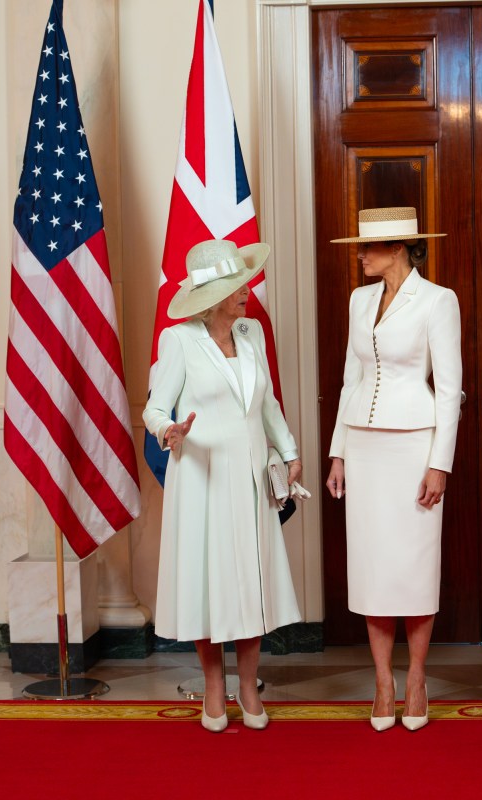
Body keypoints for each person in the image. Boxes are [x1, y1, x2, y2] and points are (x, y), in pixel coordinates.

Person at [144, 239, 303, 733]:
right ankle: (214, 688)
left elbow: (267, 402)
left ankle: (248, 687)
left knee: (251, 585)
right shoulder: (179, 340)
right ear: (211, 296)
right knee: (208, 584)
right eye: (237, 287)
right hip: (202, 480)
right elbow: (154, 406)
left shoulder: (250, 333)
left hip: (252, 478)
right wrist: (166, 430)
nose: (246, 293)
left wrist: (291, 452)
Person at [326, 207, 462, 732]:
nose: (360, 254)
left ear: (400, 248)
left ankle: (417, 678)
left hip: (414, 450)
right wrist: (338, 453)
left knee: (414, 567)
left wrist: (439, 464)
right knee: (372, 567)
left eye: (367, 246)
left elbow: (449, 389)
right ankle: (382, 681)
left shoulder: (437, 300)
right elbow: (350, 380)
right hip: (363, 448)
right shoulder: (361, 299)